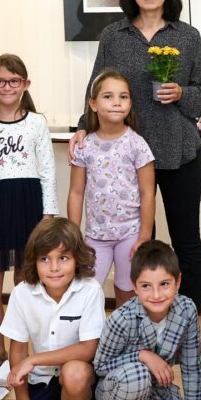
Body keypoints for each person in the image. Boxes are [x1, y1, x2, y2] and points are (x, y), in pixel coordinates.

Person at [68, 0, 201, 307]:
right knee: (143, 245)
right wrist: (83, 128)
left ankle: (186, 317)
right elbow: (96, 87)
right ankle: (146, 317)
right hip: (125, 158)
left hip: (179, 150)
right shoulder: (113, 36)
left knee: (186, 241)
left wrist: (181, 93)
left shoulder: (188, 36)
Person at [0, 54, 58, 380]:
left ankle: (23, 351)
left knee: (24, 285)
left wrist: (48, 216)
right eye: (0, 81)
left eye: (14, 81)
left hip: (29, 207)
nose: (7, 86)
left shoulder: (36, 123)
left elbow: (48, 171)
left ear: (25, 84)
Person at [0, 218, 104, 400]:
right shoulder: (21, 294)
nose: (54, 267)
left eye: (63, 258)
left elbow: (88, 349)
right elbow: (18, 353)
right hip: (43, 380)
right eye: (45, 259)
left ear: (77, 259)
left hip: (84, 378)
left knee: (74, 373)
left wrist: (33, 360)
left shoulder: (90, 290)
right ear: (34, 262)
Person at [67, 68, 156, 306]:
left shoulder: (137, 144)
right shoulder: (84, 146)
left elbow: (148, 193)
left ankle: (123, 331)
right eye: (108, 96)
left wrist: (144, 236)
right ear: (93, 104)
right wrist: (73, 235)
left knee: (127, 292)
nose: (117, 102)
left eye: (123, 97)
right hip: (95, 236)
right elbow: (76, 192)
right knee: (86, 293)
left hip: (130, 234)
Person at [93, 240, 201, 400]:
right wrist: (142, 356)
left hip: (157, 392)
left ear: (177, 282)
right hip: (115, 390)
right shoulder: (121, 319)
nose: (156, 295)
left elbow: (192, 369)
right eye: (146, 286)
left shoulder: (187, 310)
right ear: (134, 286)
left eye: (164, 284)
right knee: (138, 375)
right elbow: (100, 366)